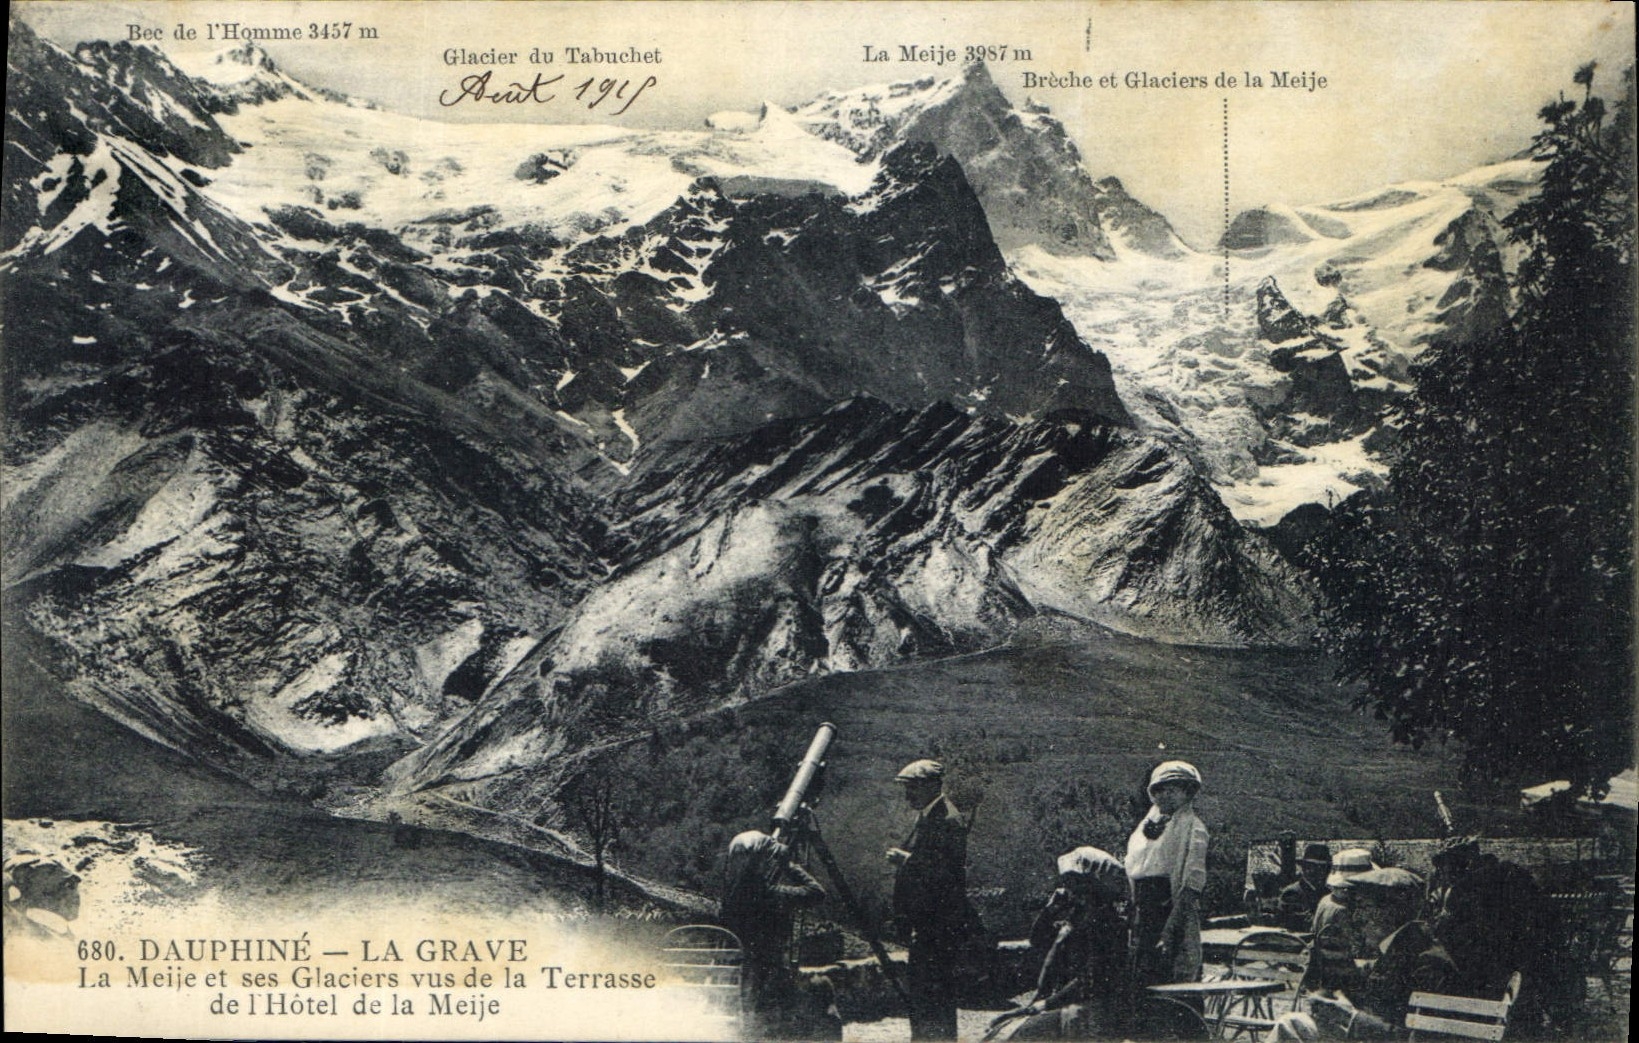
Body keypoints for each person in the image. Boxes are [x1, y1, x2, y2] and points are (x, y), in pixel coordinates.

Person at [1273, 867, 1455, 1040]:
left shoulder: (1428, 963)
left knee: (1291, 1025)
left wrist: (1350, 1017)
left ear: (1390, 911)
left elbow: (1421, 1037)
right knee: (1294, 1024)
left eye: (1363, 907)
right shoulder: (1402, 950)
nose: (1356, 918)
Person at [985, 847, 1131, 1041]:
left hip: (1087, 1010)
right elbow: (1039, 940)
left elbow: (1090, 979)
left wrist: (1040, 1006)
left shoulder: (1106, 924)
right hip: (1064, 1004)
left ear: (1093, 886)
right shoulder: (1077, 919)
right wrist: (1049, 910)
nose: (1068, 888)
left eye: (1075, 882)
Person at [888, 758, 973, 1041]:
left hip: (938, 927)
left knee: (934, 995)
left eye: (913, 788)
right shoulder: (929, 815)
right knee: (924, 996)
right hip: (926, 925)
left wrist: (907, 861)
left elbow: (946, 874)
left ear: (931, 786)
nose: (908, 795)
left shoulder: (947, 819)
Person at [719, 829, 826, 1035]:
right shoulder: (771, 895)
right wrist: (789, 865)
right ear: (761, 863)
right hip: (767, 980)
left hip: (738, 976)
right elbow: (817, 892)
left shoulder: (730, 899)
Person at [1125, 761, 1209, 988]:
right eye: (1160, 790)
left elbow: (1192, 882)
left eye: (1173, 790)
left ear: (1187, 792)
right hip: (1142, 914)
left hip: (1170, 909)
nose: (1165, 796)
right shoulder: (1143, 831)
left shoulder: (1194, 828)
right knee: (1140, 977)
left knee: (1172, 975)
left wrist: (1170, 929)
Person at [1277, 843, 1333, 932]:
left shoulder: (1327, 892)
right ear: (1304, 868)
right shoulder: (1292, 893)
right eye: (1314, 867)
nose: (1321, 872)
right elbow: (1298, 923)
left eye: (1325, 868)